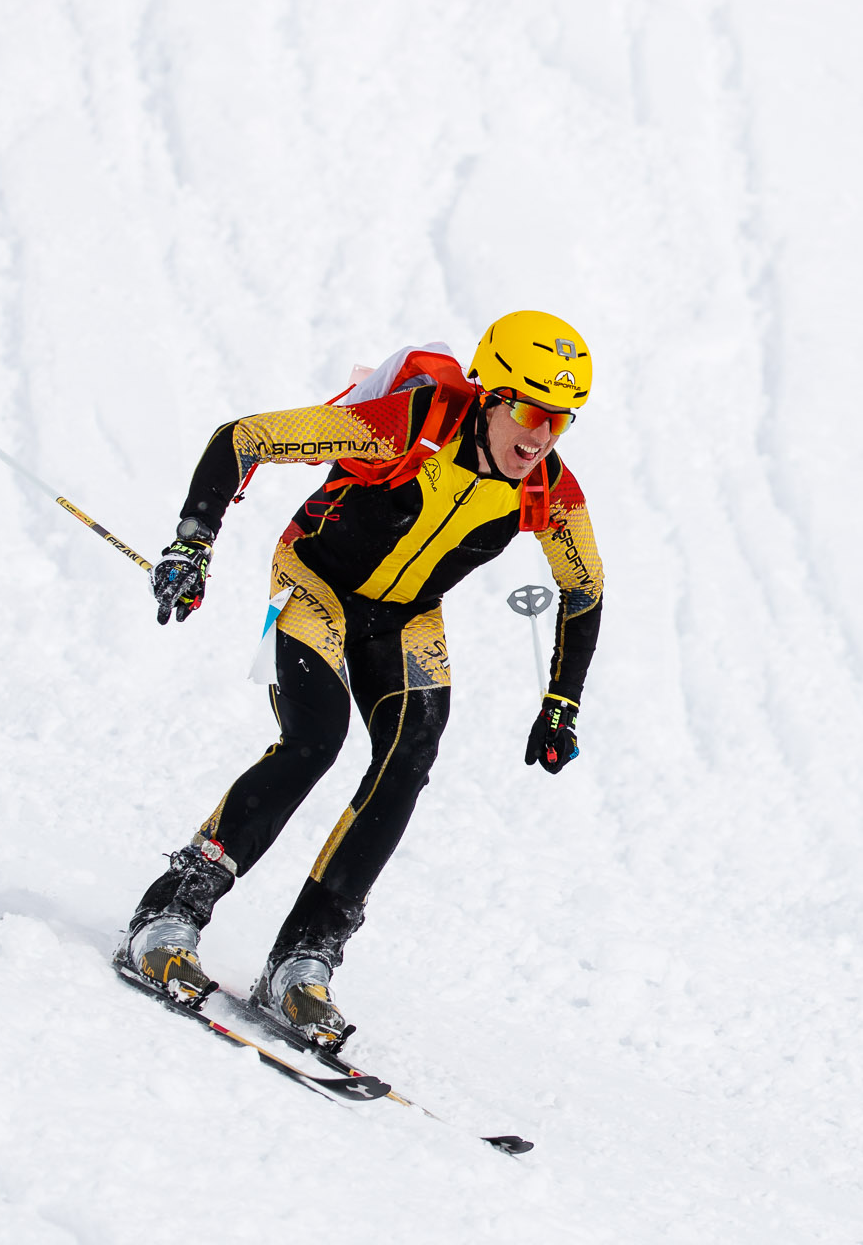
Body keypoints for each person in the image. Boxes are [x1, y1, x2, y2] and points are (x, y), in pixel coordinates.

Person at [120, 310, 604, 1051]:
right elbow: (242, 438)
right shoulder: (400, 427)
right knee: (316, 738)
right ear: (489, 394)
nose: (541, 437)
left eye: (561, 420)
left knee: (409, 759)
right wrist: (193, 544)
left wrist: (561, 704)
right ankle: (172, 911)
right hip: (313, 580)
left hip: (407, 617)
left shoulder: (547, 488)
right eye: (532, 411)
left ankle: (304, 962)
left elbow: (586, 588)